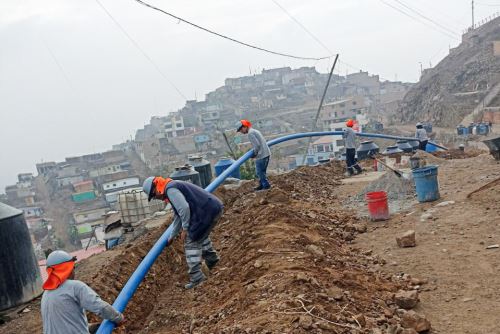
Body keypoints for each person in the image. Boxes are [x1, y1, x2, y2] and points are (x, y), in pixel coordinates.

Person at [142, 176, 223, 289]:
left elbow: (184, 209)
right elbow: (178, 216)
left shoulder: (170, 189)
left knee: (190, 240)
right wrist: (172, 236)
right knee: (199, 234)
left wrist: (185, 229)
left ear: (156, 187)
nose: (156, 198)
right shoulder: (172, 186)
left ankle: (197, 278)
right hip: (211, 209)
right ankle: (212, 260)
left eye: (154, 195)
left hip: (206, 213)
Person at [41, 250, 124, 334]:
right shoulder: (75, 287)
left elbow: (63, 323)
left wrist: (90, 327)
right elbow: (100, 307)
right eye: (73, 267)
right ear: (68, 269)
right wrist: (118, 318)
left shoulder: (46, 294)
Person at [236, 119, 271, 191]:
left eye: (240, 130)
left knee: (259, 172)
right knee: (262, 172)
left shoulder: (250, 133)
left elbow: (257, 145)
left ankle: (266, 186)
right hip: (266, 153)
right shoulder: (254, 130)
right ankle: (261, 185)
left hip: (261, 155)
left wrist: (254, 154)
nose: (241, 132)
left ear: (244, 127)